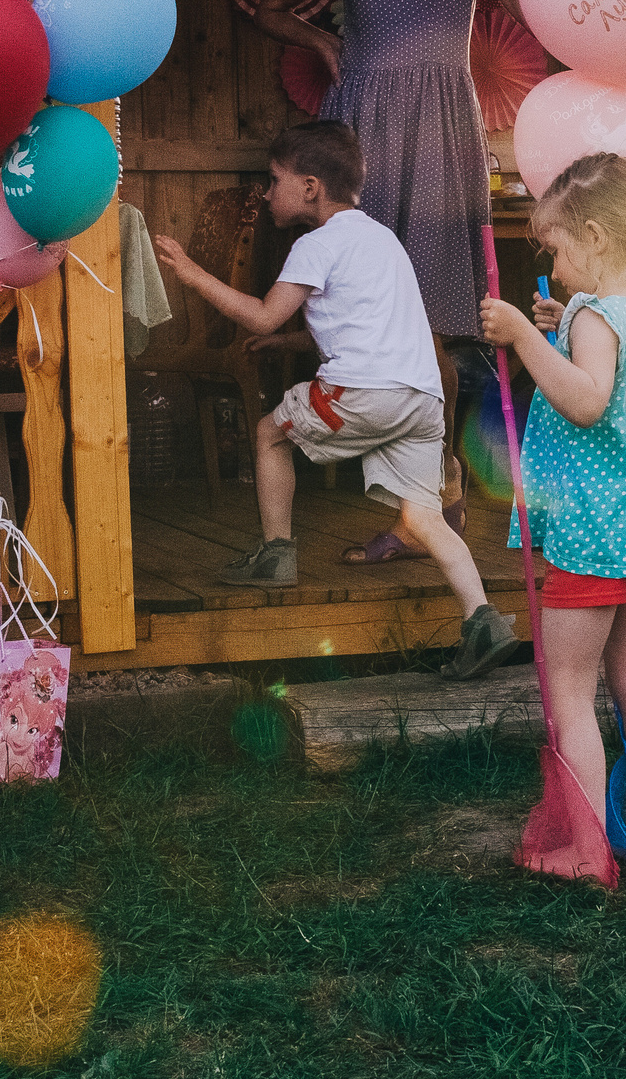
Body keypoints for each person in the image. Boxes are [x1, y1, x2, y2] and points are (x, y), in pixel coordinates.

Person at [253, 0, 524, 569]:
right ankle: (417, 515)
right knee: (375, 324)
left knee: (443, 319)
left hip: (443, 128)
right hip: (362, 127)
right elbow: (271, 7)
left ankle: (436, 512)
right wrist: (320, 38)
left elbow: (537, 3)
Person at [152, 121, 515, 670]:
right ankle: (482, 619)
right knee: (423, 519)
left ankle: (277, 554)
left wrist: (192, 274)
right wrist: (287, 340)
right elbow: (369, 323)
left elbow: (260, 310)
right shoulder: (381, 239)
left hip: (364, 392)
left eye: (275, 180)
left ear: (310, 187)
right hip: (420, 400)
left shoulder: (314, 245)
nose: (267, 192)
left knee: (270, 433)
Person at [475, 152, 626, 865]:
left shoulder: (595, 314)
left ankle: (584, 848)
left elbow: (585, 401)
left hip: (589, 536)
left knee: (572, 694)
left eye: (555, 247)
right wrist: (559, 327)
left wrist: (524, 334)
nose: (553, 262)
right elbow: (601, 378)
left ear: (598, 237)